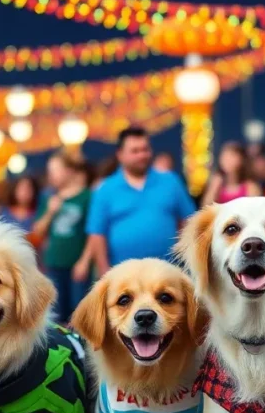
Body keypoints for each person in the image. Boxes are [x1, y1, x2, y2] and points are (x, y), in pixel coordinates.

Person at [85, 127, 196, 274]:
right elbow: (97, 234)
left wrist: (188, 258)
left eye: (145, 149)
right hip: (122, 273)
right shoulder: (105, 189)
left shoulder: (170, 181)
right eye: (135, 151)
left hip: (168, 270)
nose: (142, 155)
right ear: (120, 155)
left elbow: (189, 221)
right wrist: (104, 270)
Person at [31, 151, 93, 324]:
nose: (51, 175)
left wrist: (85, 261)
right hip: (53, 263)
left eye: (55, 170)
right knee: (56, 312)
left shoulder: (87, 196)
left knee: (79, 311)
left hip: (77, 264)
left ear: (69, 171)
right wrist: (50, 212)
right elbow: (38, 231)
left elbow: (93, 233)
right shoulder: (49, 197)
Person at [201, 141, 261, 206]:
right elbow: (205, 209)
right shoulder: (216, 183)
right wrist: (213, 188)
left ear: (241, 160)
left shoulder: (250, 187)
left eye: (232, 156)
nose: (227, 160)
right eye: (225, 155)